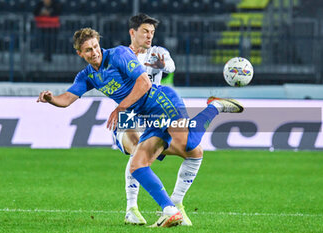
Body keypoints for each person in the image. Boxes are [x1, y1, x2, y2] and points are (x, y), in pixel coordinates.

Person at [37, 28, 243, 228]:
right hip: (141, 114)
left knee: (190, 146)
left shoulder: (118, 54)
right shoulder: (87, 76)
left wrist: (121, 107)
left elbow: (144, 83)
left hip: (160, 102)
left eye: (96, 46)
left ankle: (214, 107)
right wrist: (51, 99)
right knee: (137, 163)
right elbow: (66, 99)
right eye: (88, 50)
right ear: (80, 53)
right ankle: (161, 210)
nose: (94, 52)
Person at [114, 13, 190, 226]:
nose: (149, 36)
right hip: (130, 111)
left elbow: (171, 67)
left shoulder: (159, 52)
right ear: (133, 32)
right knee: (135, 149)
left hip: (153, 111)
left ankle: (174, 204)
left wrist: (163, 63)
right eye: (145, 32)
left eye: (152, 32)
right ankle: (132, 208)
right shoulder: (121, 55)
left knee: (190, 148)